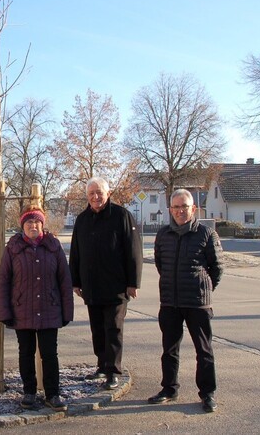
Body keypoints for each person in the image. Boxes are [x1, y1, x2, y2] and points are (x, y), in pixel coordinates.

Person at [149, 188, 224, 413]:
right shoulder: (163, 234)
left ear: (193, 209)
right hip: (170, 302)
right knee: (169, 349)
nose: (180, 211)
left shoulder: (206, 234)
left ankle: (207, 394)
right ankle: (169, 388)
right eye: (176, 207)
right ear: (170, 210)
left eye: (184, 207)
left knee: (204, 350)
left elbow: (217, 268)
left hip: (197, 303)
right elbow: (160, 264)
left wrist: (204, 287)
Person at [0, 204, 73, 411]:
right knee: (26, 353)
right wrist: (4, 312)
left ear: (42, 224)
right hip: (22, 309)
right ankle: (29, 392)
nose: (33, 225)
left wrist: (67, 311)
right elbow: (3, 281)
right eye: (29, 222)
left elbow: (65, 280)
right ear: (23, 225)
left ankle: (53, 394)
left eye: (37, 221)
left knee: (50, 354)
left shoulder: (53, 246)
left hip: (49, 309)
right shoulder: (13, 248)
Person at [69, 177, 142, 390]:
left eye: (99, 192)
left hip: (116, 286)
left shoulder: (121, 216)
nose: (95, 197)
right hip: (91, 286)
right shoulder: (82, 219)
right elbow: (76, 252)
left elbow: (134, 251)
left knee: (113, 329)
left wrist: (133, 282)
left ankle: (113, 371)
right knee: (97, 329)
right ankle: (102, 364)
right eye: (91, 193)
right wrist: (75, 281)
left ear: (108, 193)